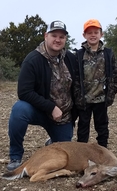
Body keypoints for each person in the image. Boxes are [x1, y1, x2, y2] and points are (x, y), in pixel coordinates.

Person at [7, 20, 78, 171]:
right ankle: (15, 155)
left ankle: (53, 140)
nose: (58, 40)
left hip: (63, 116)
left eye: (62, 37)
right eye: (54, 35)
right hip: (39, 111)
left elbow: (78, 88)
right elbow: (24, 92)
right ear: (46, 36)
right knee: (19, 110)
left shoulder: (71, 58)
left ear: (65, 39)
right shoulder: (32, 59)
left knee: (66, 151)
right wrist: (51, 107)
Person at [73, 19, 117, 148]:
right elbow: (75, 76)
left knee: (102, 127)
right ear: (84, 35)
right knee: (83, 128)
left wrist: (112, 92)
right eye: (89, 33)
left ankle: (103, 152)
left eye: (96, 32)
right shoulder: (78, 54)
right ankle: (81, 153)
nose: (93, 35)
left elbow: (115, 74)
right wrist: (77, 96)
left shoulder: (108, 53)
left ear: (101, 34)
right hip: (84, 100)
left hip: (101, 99)